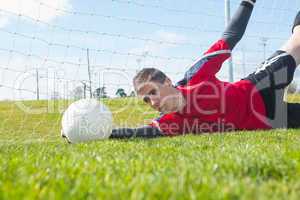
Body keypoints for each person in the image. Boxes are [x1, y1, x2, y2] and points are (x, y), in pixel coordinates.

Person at [110, 0, 300, 139]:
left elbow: (229, 38)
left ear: (167, 81)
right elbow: (143, 132)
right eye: (145, 100)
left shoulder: (196, 75)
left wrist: (248, 2)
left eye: (153, 92)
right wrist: (106, 133)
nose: (152, 102)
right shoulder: (169, 121)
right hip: (268, 119)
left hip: (259, 86)